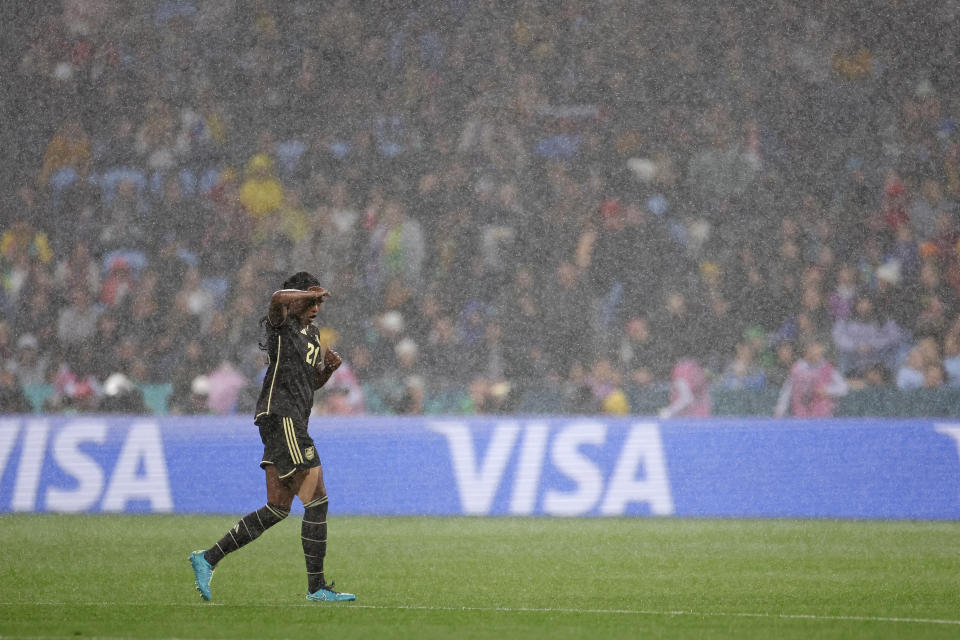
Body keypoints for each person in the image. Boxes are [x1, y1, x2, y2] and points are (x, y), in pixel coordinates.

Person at [190, 271, 356, 603]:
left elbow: (309, 384)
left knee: (278, 507)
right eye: (310, 301)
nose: (316, 308)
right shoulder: (281, 322)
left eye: (318, 303)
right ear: (298, 298)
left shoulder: (312, 334)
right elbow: (277, 297)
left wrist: (328, 371)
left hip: (292, 420)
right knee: (317, 500)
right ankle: (317, 587)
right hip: (283, 418)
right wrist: (302, 295)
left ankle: (207, 558)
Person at [774, 339, 848, 418]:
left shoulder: (827, 368)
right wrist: (780, 408)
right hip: (800, 414)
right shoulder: (797, 368)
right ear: (807, 351)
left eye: (819, 353)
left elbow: (843, 388)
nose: (817, 354)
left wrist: (827, 390)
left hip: (823, 415)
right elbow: (787, 390)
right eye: (814, 351)